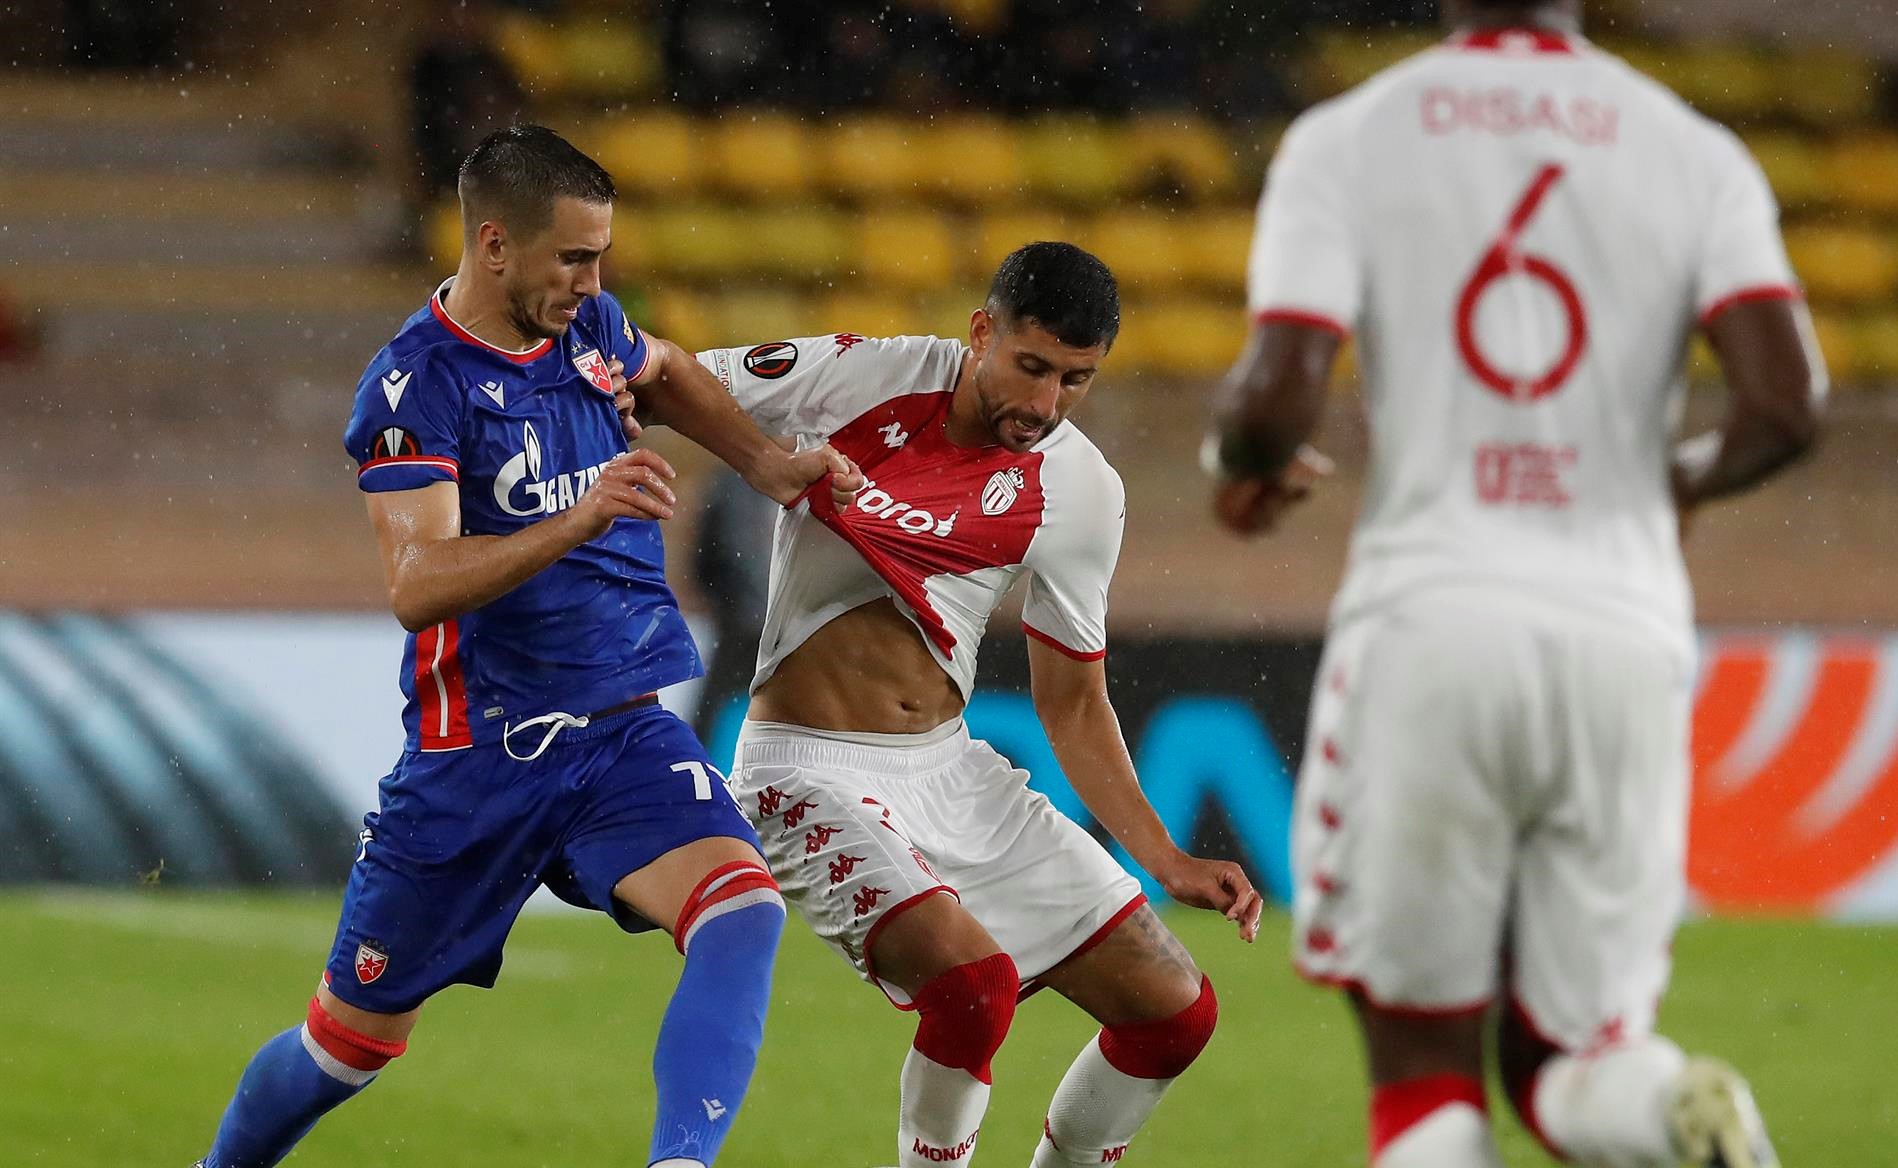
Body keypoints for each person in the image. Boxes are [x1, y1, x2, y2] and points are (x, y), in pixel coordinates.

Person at [1205, 4, 1825, 1168]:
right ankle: (1673, 1118)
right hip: (1625, 635)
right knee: (1575, 1055)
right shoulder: (1689, 148)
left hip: (1432, 619)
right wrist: (1671, 482)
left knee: (1421, 1068)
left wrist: (1235, 465)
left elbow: (1276, 394)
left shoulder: (1351, 136)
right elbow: (1786, 402)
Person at [192, 124, 859, 1168]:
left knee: (741, 906)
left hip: (616, 736)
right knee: (345, 1049)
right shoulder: (415, 390)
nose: (594, 280)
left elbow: (671, 368)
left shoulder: (587, 329)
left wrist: (767, 462)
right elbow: (418, 585)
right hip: (474, 765)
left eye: (600, 257)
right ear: (494, 245)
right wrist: (580, 517)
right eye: (574, 257)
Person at [693, 241, 1265, 1168]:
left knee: (1174, 1014)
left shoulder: (1081, 490)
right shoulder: (867, 376)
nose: (1043, 405)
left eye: (1075, 381)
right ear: (981, 332)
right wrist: (758, 459)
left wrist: (1164, 855)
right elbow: (676, 377)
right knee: (971, 990)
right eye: (1030, 367)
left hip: (949, 767)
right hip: (804, 765)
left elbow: (1074, 701)